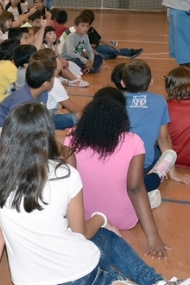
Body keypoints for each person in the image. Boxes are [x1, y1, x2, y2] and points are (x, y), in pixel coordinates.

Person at [0, 102, 190, 285]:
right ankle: (154, 282)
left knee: (72, 248)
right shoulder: (66, 175)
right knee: (102, 234)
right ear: (46, 134)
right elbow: (81, 233)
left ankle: (114, 281)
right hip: (84, 284)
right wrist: (101, 218)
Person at [64, 88, 169, 259]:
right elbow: (135, 188)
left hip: (83, 219)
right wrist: (153, 236)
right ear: (122, 113)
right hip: (123, 220)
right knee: (144, 183)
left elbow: (68, 182)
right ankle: (158, 177)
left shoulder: (73, 138)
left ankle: (155, 183)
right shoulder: (134, 141)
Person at [120, 60, 190, 208]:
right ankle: (149, 183)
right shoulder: (160, 101)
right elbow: (163, 139)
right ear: (151, 82)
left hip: (114, 163)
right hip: (142, 164)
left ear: (123, 83)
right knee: (155, 153)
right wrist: (172, 172)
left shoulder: (114, 100)